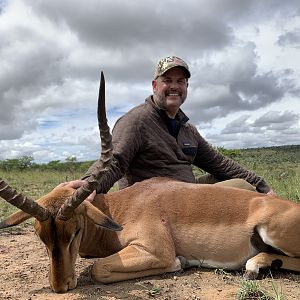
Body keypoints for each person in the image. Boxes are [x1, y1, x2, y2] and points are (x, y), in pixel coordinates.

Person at [82, 56, 275, 195]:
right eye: (167, 80)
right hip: (152, 203)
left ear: (186, 87)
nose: (174, 86)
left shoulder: (187, 129)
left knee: (237, 182)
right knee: (242, 190)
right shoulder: (137, 120)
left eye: (180, 81)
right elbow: (114, 161)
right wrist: (86, 187)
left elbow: (219, 163)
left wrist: (263, 187)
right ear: (154, 86)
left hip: (185, 194)